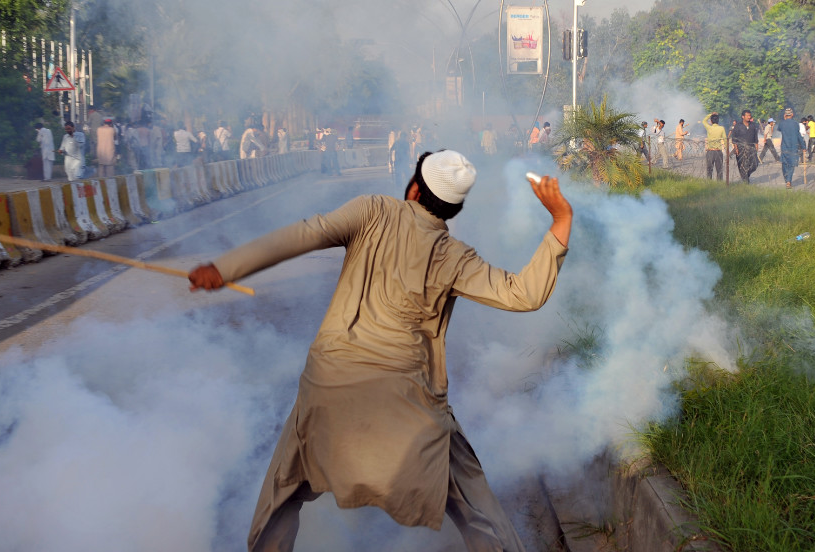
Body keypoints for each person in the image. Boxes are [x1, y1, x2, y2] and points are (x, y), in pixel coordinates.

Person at [188, 150, 572, 551]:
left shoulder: (371, 210)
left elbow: (305, 233)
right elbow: (523, 294)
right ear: (454, 208)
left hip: (328, 386)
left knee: (281, 494)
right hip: (409, 403)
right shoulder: (455, 256)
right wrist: (560, 219)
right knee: (475, 503)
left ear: (413, 189)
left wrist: (224, 268)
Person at [777, 108, 805, 189]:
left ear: (785, 115)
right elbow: (798, 135)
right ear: (792, 114)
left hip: (784, 147)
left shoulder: (782, 123)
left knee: (785, 164)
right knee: (791, 165)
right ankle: (789, 181)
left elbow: (779, 129)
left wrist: (784, 119)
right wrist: (803, 146)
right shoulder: (796, 124)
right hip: (793, 147)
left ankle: (787, 180)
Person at [732, 110, 760, 183]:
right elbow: (734, 137)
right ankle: (745, 182)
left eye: (750, 115)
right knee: (742, 165)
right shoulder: (738, 125)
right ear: (743, 116)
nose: (749, 117)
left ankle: (746, 175)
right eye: (747, 115)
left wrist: (756, 146)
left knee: (755, 164)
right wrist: (736, 148)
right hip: (741, 148)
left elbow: (755, 137)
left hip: (751, 147)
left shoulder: (753, 125)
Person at [701, 113, 726, 181]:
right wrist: (727, 150)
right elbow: (725, 140)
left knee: (709, 170)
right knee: (719, 170)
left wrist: (710, 114)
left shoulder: (709, 128)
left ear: (711, 121)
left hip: (710, 151)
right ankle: (719, 185)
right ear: (718, 120)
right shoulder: (721, 128)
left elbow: (704, 121)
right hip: (718, 151)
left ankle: (709, 183)